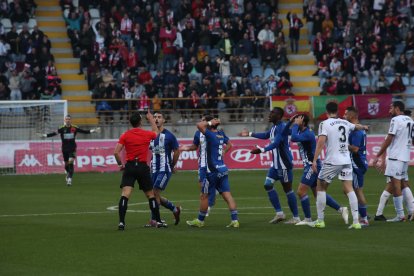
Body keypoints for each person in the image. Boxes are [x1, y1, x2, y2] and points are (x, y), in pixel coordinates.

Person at [312, 102, 369, 229]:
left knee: (320, 186)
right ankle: (356, 222)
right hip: (346, 161)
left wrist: (315, 160)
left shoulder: (324, 124)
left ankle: (320, 221)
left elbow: (321, 142)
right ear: (337, 111)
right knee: (349, 188)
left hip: (332, 160)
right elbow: (356, 126)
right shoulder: (344, 123)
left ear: (326, 111)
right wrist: (364, 127)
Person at [287, 114, 348, 226]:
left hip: (312, 166)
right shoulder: (300, 131)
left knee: (301, 191)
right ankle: (341, 209)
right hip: (310, 165)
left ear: (303, 122)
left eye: (298, 120)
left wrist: (295, 125)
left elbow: (293, 138)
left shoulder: (307, 134)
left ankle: (308, 219)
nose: (296, 121)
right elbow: (285, 132)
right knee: (318, 194)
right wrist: (291, 122)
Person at [242, 107, 300, 224]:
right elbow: (266, 135)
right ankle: (279, 214)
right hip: (275, 164)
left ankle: (296, 217)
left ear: (278, 116)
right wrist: (249, 133)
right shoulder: (274, 127)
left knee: (288, 190)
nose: (269, 114)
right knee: (268, 185)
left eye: (272, 113)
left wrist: (262, 150)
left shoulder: (282, 127)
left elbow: (276, 144)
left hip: (284, 164)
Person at [113, 111, 166, 230]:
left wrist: (120, 164)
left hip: (130, 166)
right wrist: (151, 119)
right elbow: (156, 133)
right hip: (142, 167)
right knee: (150, 195)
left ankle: (121, 223)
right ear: (140, 122)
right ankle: (158, 221)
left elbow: (116, 152)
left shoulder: (125, 135)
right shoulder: (146, 134)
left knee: (125, 195)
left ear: (130, 123)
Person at [186, 116, 239, 228]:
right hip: (223, 168)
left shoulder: (209, 135)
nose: (202, 122)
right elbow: (230, 144)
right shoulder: (220, 133)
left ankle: (200, 220)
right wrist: (224, 150)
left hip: (211, 170)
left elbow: (199, 126)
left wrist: (209, 122)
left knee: (204, 195)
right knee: (227, 195)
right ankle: (235, 220)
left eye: (204, 120)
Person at [180, 115, 231, 216]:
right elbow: (195, 146)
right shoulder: (198, 133)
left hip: (212, 165)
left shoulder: (217, 132)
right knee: (202, 186)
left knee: (206, 188)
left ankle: (208, 207)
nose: (201, 122)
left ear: (208, 122)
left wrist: (224, 150)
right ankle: (209, 202)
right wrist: (185, 148)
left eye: (203, 120)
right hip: (202, 164)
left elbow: (229, 144)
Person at [372, 101, 414, 222]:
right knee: (404, 183)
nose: (390, 109)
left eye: (391, 107)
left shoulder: (396, 120)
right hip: (405, 156)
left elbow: (389, 138)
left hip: (395, 157)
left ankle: (400, 216)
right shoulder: (411, 121)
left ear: (397, 108)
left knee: (396, 185)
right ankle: (412, 210)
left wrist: (378, 155)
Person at [39, 115, 100, 186]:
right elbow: (53, 133)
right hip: (64, 149)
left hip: (72, 148)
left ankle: (69, 179)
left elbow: (84, 132)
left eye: (69, 119)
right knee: (66, 165)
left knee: (71, 163)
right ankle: (68, 174)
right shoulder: (61, 128)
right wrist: (44, 135)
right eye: (66, 119)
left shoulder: (74, 128)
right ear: (64, 120)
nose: (68, 120)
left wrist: (93, 130)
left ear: (71, 120)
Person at [150, 112, 181, 225]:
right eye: (155, 117)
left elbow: (177, 151)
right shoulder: (151, 135)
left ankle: (155, 219)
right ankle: (174, 209)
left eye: (159, 117)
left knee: (155, 191)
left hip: (164, 169)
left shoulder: (169, 136)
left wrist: (172, 165)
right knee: (154, 194)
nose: (156, 119)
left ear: (163, 120)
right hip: (153, 169)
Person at [344, 107, 369, 226]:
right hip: (359, 162)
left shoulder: (356, 131)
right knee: (349, 190)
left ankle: (364, 218)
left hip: (357, 164)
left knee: (357, 191)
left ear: (352, 116)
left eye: (346, 115)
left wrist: (342, 143)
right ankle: (362, 213)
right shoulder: (358, 128)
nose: (344, 116)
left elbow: (355, 149)